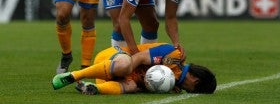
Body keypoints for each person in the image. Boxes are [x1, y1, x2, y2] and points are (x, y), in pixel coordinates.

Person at [52, 42, 217, 95]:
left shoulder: (174, 85)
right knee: (125, 66)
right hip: (113, 59)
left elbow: (145, 82)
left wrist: (143, 84)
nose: (187, 92)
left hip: (110, 79)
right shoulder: (174, 55)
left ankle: (94, 88)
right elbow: (137, 58)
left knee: (132, 86)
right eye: (192, 91)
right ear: (195, 80)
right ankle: (73, 75)